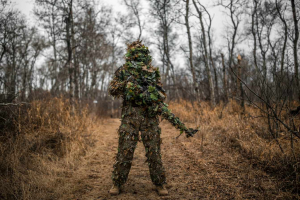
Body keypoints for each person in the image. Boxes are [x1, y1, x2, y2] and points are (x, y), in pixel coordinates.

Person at [108, 40, 198, 196]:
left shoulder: (151, 72)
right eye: (136, 52)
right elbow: (112, 89)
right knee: (125, 151)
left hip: (150, 116)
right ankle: (117, 183)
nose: (139, 55)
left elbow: (160, 93)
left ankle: (160, 183)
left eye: (141, 52)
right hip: (130, 116)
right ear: (130, 53)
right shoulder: (123, 70)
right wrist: (126, 85)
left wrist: (152, 97)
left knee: (154, 152)